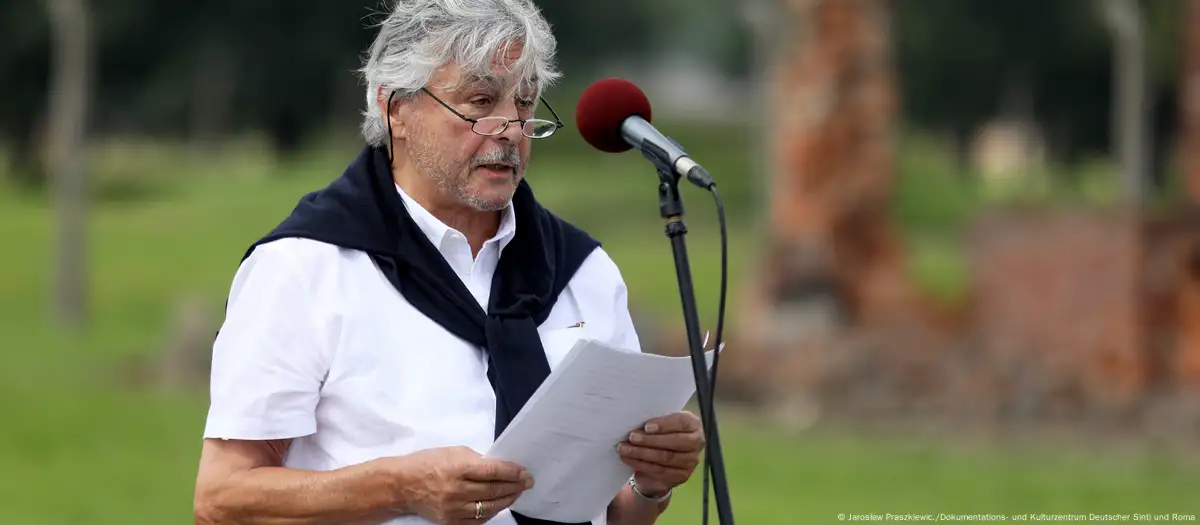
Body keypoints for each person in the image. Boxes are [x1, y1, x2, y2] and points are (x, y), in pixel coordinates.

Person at [191, 1, 707, 524]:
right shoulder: (306, 267)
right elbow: (222, 500)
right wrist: (398, 487)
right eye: (480, 102)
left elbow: (602, 514)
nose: (509, 129)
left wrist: (650, 484)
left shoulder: (583, 271)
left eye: (525, 105)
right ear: (396, 109)